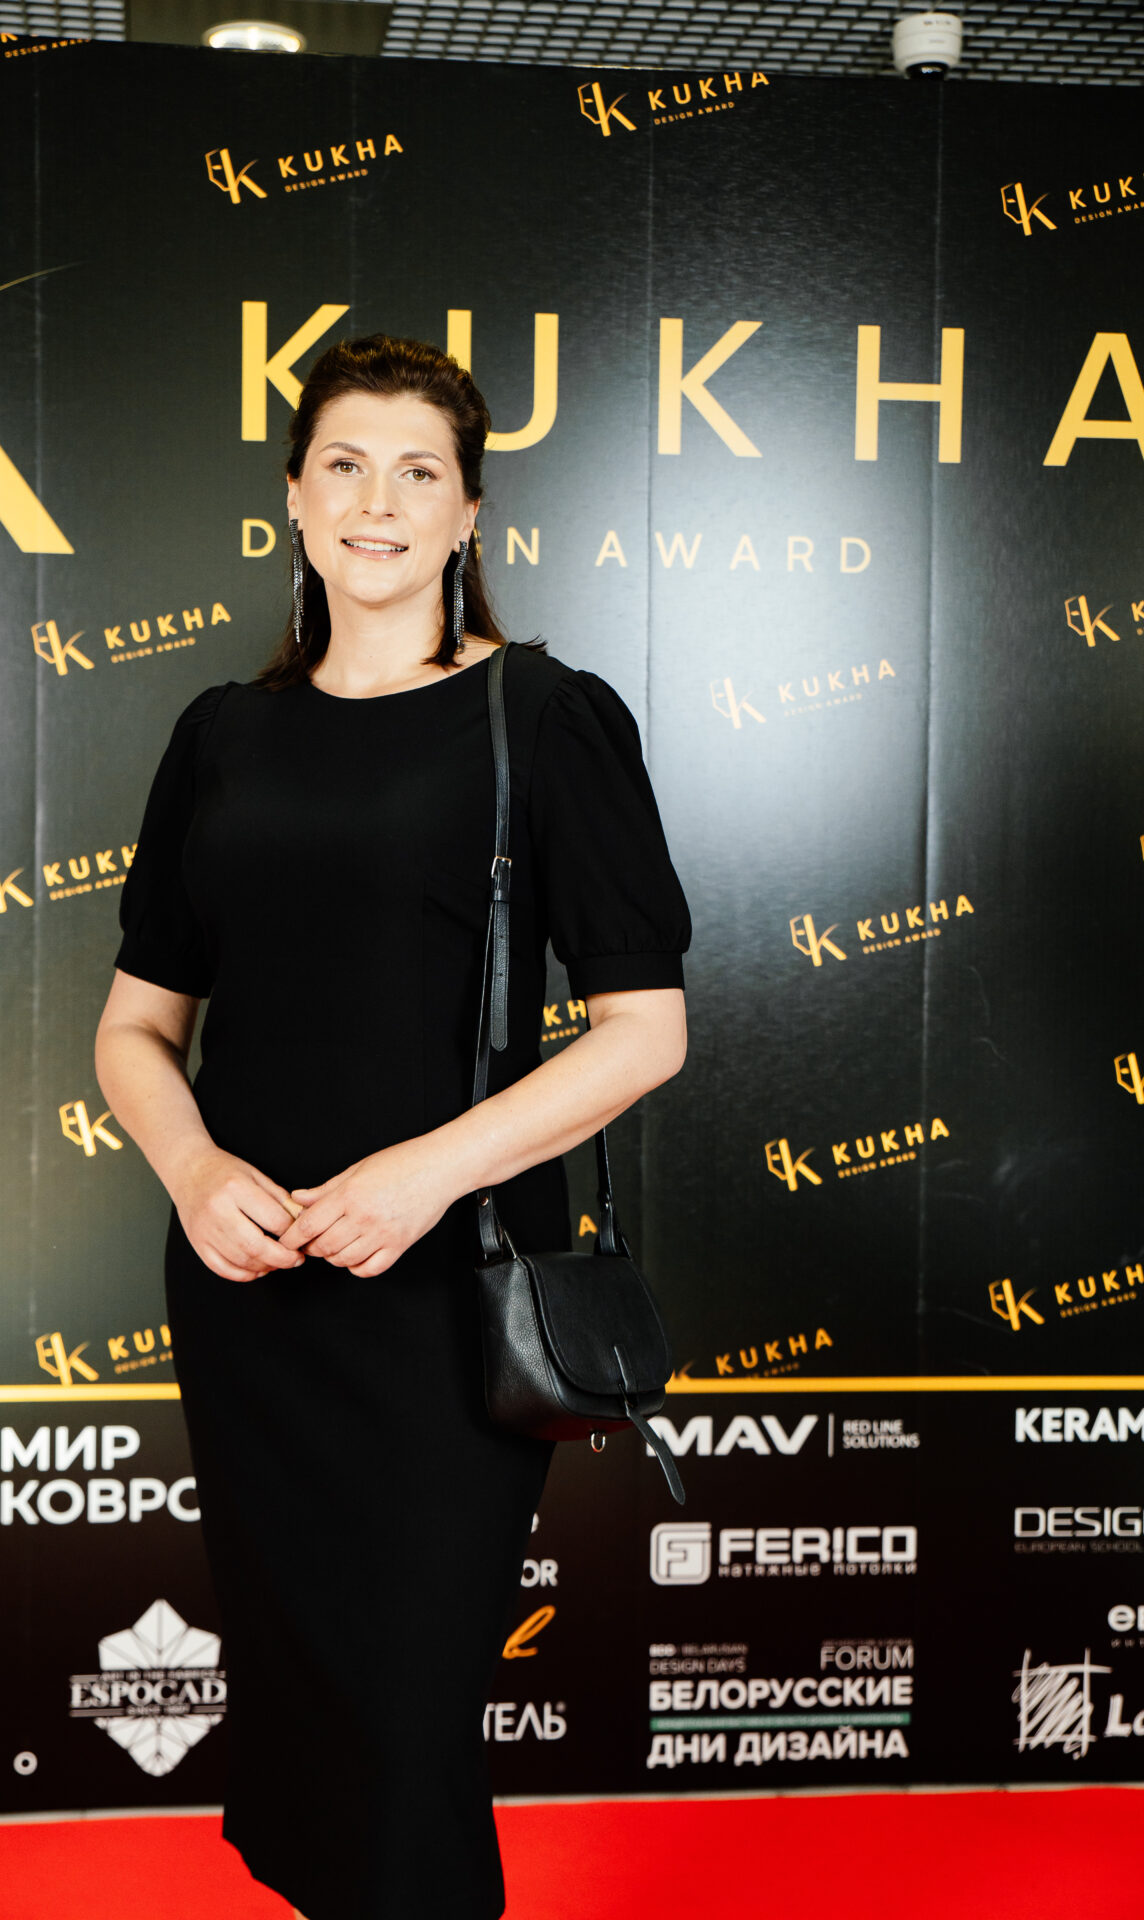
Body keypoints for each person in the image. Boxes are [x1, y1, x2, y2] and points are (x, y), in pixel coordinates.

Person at [94, 334, 692, 1920]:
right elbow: (136, 1029)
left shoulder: (541, 716)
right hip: (250, 1292)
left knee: (408, 1718)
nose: (379, 501)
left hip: (446, 1295)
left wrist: (425, 1175)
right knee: (307, 1716)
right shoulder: (220, 736)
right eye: (346, 466)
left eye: (419, 472)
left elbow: (645, 1032)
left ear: (468, 512)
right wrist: (192, 1168)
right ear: (294, 499)